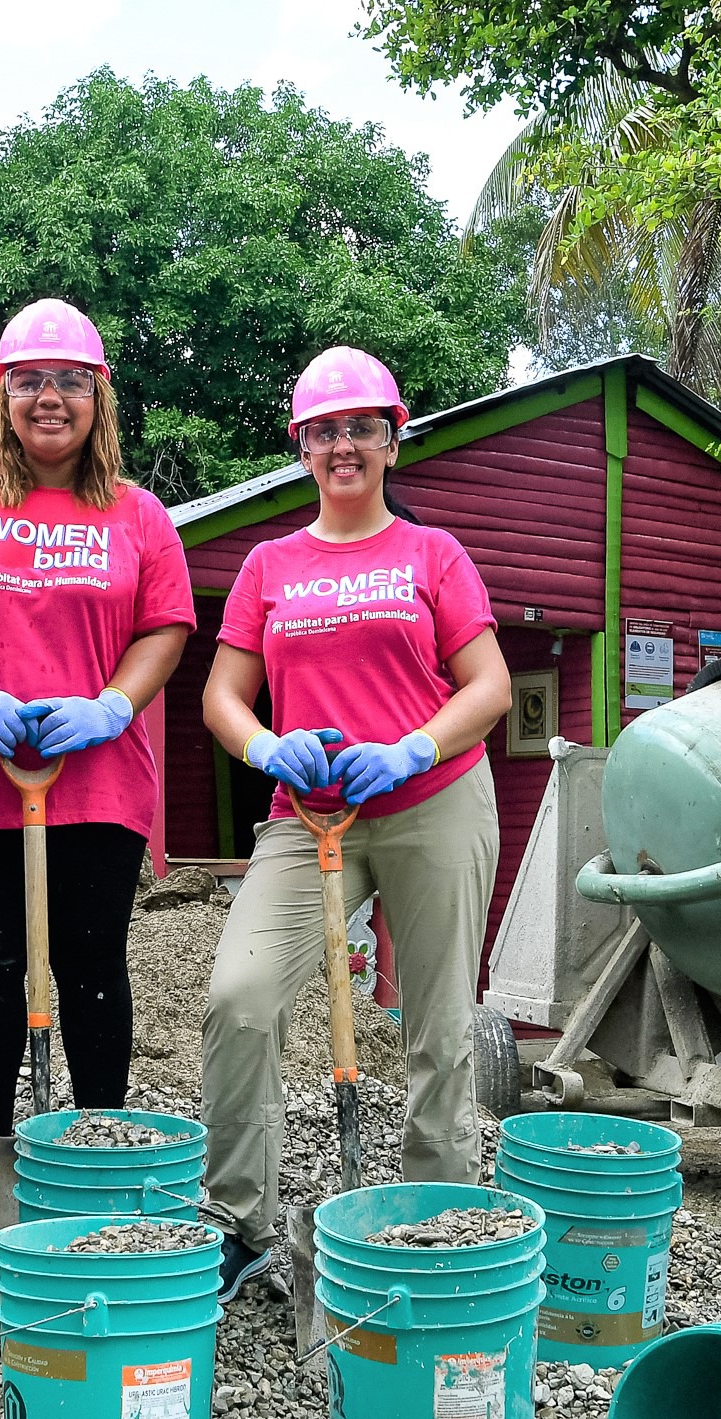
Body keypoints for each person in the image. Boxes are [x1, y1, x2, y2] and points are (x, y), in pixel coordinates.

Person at [199, 345, 512, 1303]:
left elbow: (490, 684)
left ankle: (434, 1226)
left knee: (437, 1024)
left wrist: (412, 747)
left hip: (430, 803)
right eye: (325, 430)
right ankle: (237, 1220)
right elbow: (222, 696)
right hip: (310, 816)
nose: (344, 446)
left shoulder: (432, 554)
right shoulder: (268, 564)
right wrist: (263, 749)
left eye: (361, 428)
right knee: (237, 997)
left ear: (390, 438)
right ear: (301, 446)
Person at [0, 299, 196, 1207]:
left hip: (98, 781)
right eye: (29, 380)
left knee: (91, 961)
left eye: (69, 380)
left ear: (99, 396)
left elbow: (164, 628)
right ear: (3, 395)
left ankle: (98, 1137)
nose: (49, 398)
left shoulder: (138, 516)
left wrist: (113, 704)